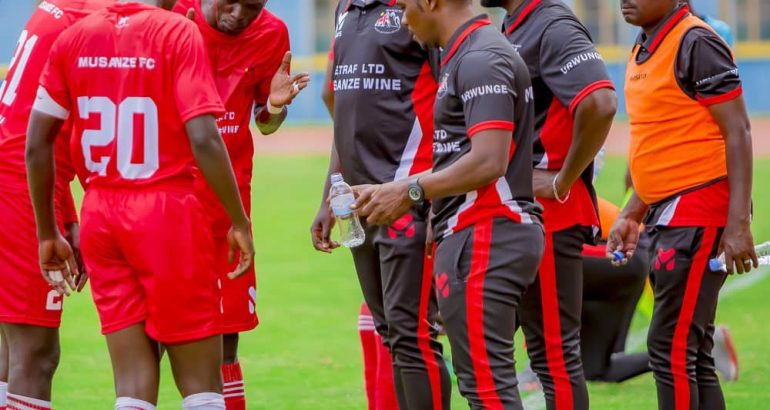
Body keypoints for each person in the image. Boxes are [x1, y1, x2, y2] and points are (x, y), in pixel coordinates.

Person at [26, 1, 255, 408]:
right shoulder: (178, 32)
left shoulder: (74, 37)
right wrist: (239, 220)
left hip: (100, 213)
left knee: (131, 384)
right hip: (166, 211)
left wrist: (48, 231)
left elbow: (36, 143)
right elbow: (204, 137)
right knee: (202, 385)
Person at [354, 0, 545, 406]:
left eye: (406, 6)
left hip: (488, 232)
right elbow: (460, 154)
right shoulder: (466, 53)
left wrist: (409, 191)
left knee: (489, 391)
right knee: (481, 386)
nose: (402, 18)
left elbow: (489, 160)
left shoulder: (481, 57)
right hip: (472, 232)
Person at [611, 1, 756, 409]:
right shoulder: (645, 42)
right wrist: (633, 211)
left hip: (699, 210)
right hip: (670, 210)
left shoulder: (695, 42)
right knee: (692, 350)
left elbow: (738, 131)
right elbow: (667, 140)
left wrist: (738, 224)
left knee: (669, 346)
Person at [310, 0, 452, 408]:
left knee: (413, 336)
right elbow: (343, 110)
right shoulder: (346, 8)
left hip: (406, 198)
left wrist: (438, 198)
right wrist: (331, 192)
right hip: (359, 204)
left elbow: (452, 103)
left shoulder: (415, 7)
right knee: (391, 334)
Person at [480, 0, 617, 408]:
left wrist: (562, 179)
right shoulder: (514, 25)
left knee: (554, 357)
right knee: (519, 351)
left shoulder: (553, 25)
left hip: (551, 216)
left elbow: (600, 103)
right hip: (519, 213)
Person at [171, 1, 307, 408]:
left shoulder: (272, 33)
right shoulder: (176, 14)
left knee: (226, 340)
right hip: (169, 204)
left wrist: (275, 106)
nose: (239, 14)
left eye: (252, 6)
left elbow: (266, 124)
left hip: (229, 213)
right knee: (155, 339)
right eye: (231, 1)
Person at [0, 1, 110, 408]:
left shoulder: (64, 7)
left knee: (9, 350)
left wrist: (66, 213)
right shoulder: (100, 19)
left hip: (17, 173)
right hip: (20, 183)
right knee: (36, 353)